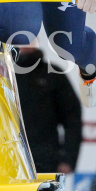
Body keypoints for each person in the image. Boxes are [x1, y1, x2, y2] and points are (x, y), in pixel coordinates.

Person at [13, 45, 82, 174]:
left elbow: (72, 118)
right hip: (5, 156)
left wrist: (68, 159)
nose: (24, 43)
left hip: (45, 160)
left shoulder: (53, 73)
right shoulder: (0, 72)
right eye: (19, 37)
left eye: (29, 37)